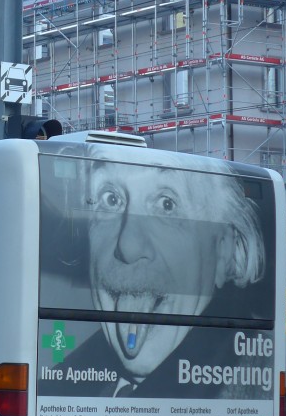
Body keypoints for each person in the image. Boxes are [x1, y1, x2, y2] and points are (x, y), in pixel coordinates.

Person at [42, 146, 272, 399]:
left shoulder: (254, 388)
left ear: (226, 253)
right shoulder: (64, 384)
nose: (127, 246)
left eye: (166, 204)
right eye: (111, 199)